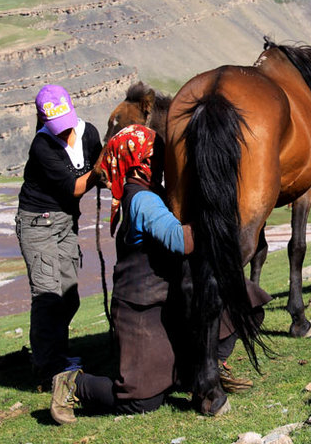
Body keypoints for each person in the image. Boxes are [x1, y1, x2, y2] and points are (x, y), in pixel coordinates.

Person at [50, 124, 263, 424]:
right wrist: (217, 218)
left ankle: (202, 370)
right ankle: (74, 385)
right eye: (158, 153)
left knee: (247, 302)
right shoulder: (142, 199)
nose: (165, 159)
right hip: (142, 310)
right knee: (141, 399)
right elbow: (181, 240)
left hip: (166, 302)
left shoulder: (153, 192)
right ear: (143, 160)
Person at [15, 84, 103, 388]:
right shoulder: (42, 146)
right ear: (42, 120)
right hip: (37, 223)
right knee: (47, 294)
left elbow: (98, 170)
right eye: (56, 126)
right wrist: (104, 167)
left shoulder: (88, 132)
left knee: (69, 295)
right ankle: (46, 368)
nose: (63, 131)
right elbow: (75, 187)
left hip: (67, 222)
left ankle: (55, 353)